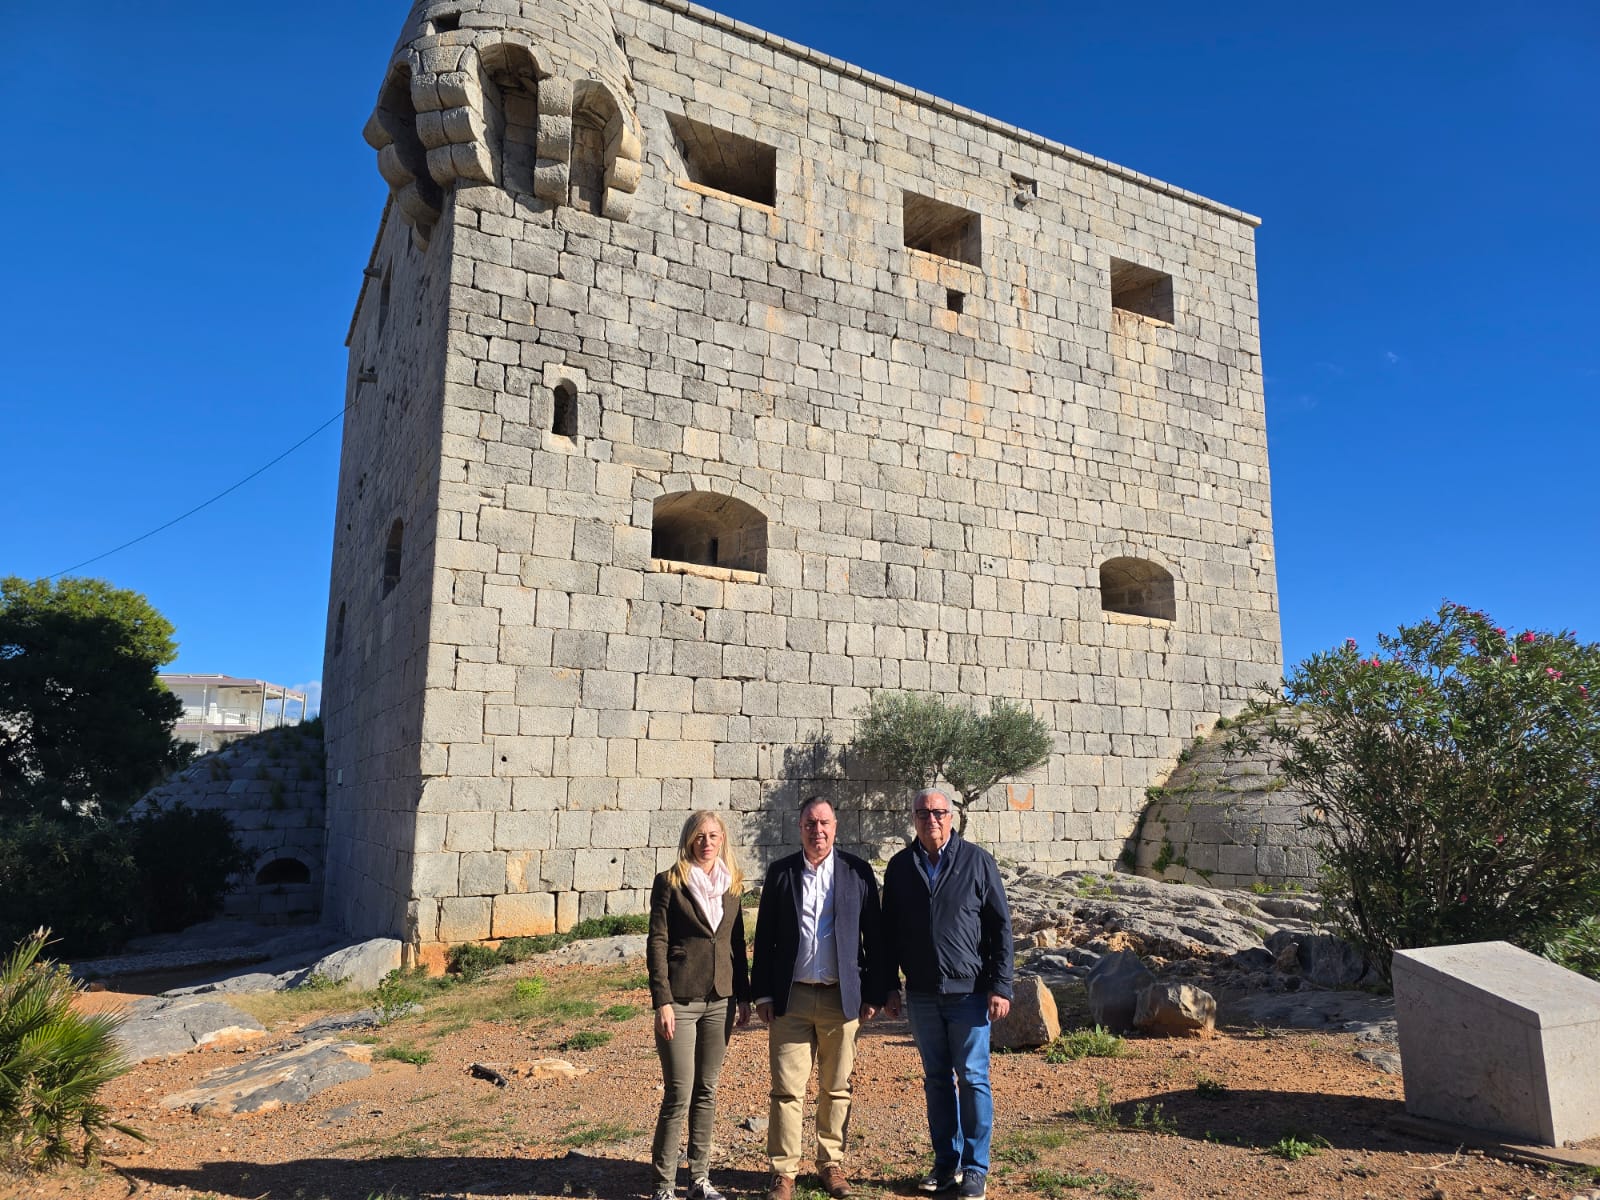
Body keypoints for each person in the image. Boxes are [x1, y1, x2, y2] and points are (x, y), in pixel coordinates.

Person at [751, 796, 886, 1200]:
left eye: (824, 823)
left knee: (837, 1086)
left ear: (836, 826)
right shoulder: (780, 874)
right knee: (787, 1090)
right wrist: (762, 994)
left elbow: (874, 938)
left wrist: (876, 991)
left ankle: (831, 1164)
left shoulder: (857, 873)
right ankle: (784, 1173)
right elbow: (765, 939)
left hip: (840, 999)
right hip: (791, 999)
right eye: (810, 823)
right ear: (800, 827)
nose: (818, 830)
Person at [882, 788, 1014, 1200]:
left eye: (938, 812)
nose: (931, 820)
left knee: (973, 1079)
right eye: (923, 813)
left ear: (951, 817)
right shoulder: (900, 867)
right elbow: (888, 934)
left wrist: (1000, 985)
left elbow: (1000, 928)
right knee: (936, 1081)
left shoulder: (977, 862)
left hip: (970, 992)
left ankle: (976, 1168)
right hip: (922, 993)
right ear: (913, 818)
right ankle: (946, 1164)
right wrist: (889, 984)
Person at [647, 811, 753, 1200]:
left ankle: (699, 1178)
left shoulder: (733, 885)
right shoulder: (669, 882)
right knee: (679, 1091)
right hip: (680, 999)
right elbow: (657, 942)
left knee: (707, 1089)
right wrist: (662, 1001)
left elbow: (736, 944)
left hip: (720, 1000)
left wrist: (743, 995)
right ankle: (662, 1185)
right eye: (699, 836)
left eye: (713, 835)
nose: (707, 842)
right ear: (689, 840)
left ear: (723, 839)